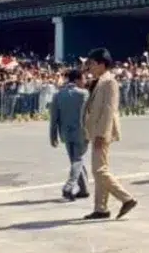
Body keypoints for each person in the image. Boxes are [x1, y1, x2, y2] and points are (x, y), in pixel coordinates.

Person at [82, 47, 138, 221]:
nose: (89, 67)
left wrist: (102, 134)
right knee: (100, 169)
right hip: (96, 131)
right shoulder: (100, 81)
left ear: (101, 64)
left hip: (102, 132)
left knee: (99, 170)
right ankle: (100, 208)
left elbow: (109, 110)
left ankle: (126, 198)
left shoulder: (109, 82)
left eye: (91, 63)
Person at [49, 68, 90, 201]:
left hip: (65, 133)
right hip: (81, 131)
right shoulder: (84, 94)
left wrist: (53, 136)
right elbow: (89, 114)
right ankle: (69, 186)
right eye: (83, 78)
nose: (85, 81)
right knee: (78, 159)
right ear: (77, 79)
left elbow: (54, 118)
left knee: (75, 160)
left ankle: (83, 189)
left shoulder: (58, 95)